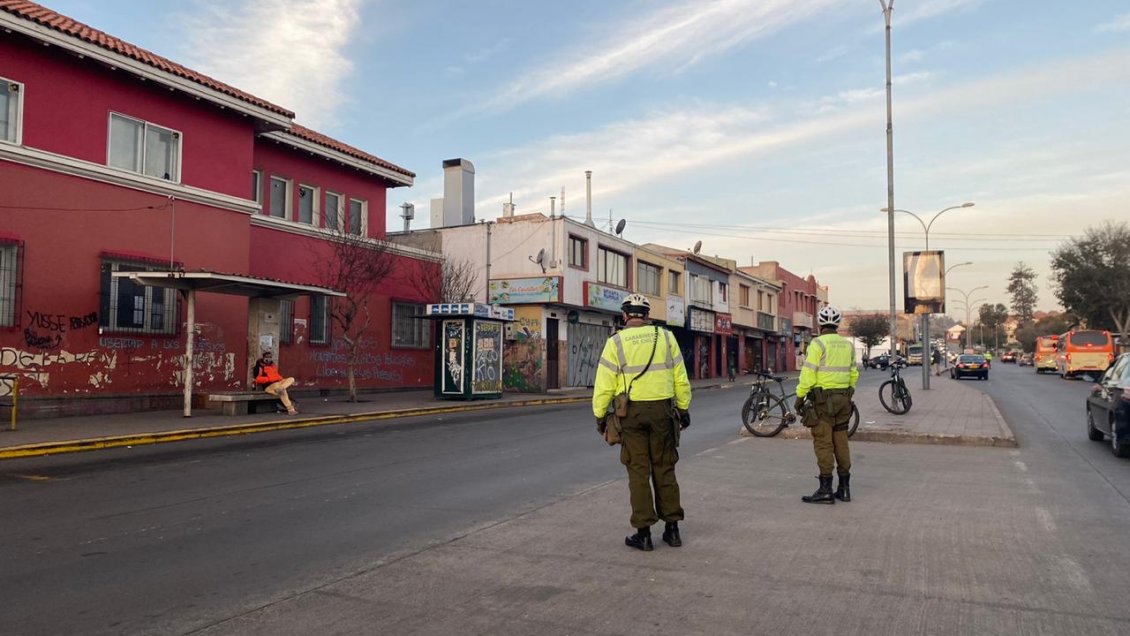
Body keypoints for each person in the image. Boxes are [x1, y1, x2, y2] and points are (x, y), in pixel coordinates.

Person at [593, 294, 691, 551]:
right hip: (664, 413)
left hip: (632, 415)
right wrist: (683, 408)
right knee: (665, 468)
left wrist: (600, 416)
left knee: (638, 472)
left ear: (625, 315)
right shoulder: (666, 338)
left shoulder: (615, 342)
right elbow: (680, 376)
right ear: (647, 316)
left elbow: (604, 384)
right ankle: (672, 530)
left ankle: (644, 534)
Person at [795, 306, 859, 504]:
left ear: (820, 324)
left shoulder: (817, 344)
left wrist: (800, 397)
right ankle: (844, 489)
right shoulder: (847, 346)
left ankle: (825, 490)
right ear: (837, 324)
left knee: (823, 442)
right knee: (841, 441)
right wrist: (847, 393)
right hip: (844, 401)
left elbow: (808, 374)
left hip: (823, 402)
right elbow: (854, 373)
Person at [253, 349, 298, 415]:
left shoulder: (272, 365)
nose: (269, 359)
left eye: (270, 357)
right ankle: (291, 410)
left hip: (278, 383)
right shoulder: (259, 366)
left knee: (291, 379)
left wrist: (282, 380)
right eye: (267, 357)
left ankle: (281, 388)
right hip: (269, 386)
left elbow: (277, 375)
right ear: (263, 357)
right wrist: (269, 379)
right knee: (282, 391)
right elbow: (257, 379)